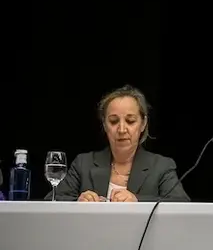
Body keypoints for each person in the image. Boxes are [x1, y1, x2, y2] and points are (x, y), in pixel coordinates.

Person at [46, 85, 189, 202]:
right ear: (105, 125)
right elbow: (50, 201)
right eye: (114, 121)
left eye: (130, 121)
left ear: (143, 124)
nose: (121, 129)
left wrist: (137, 201)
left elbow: (181, 205)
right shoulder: (83, 163)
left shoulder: (162, 166)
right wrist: (77, 202)